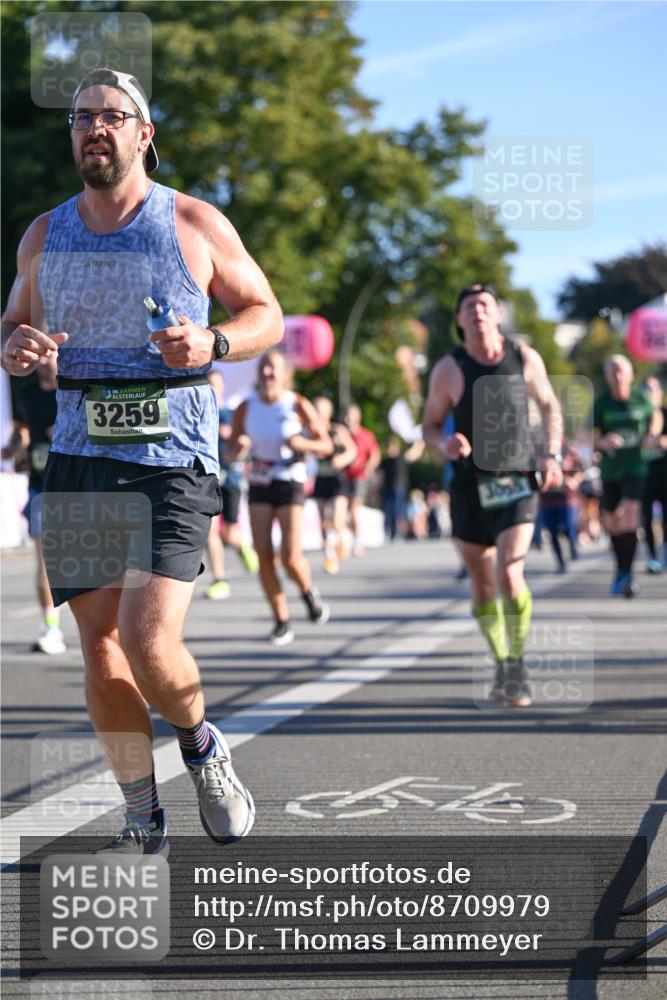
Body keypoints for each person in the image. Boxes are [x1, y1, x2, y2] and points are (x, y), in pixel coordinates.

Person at [0, 68, 284, 854]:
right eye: (81, 117)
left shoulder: (192, 222)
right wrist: (16, 347)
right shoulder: (44, 234)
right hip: (81, 453)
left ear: (144, 133)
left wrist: (214, 341)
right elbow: (13, 323)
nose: (94, 128)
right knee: (99, 647)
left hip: (172, 458)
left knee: (148, 641)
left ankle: (201, 745)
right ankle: (142, 815)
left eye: (112, 116)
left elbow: (267, 315)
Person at [423, 284, 563, 708]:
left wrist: (552, 453)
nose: (478, 311)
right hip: (470, 486)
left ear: (498, 314)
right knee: (483, 587)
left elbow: (550, 406)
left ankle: (516, 665)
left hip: (516, 481)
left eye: (486, 304)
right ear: (459, 320)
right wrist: (444, 444)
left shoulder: (524, 358)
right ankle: (502, 660)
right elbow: (430, 426)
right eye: (469, 306)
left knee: (508, 572)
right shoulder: (449, 369)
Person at [227, 349, 332, 645]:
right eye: (263, 367)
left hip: (290, 480)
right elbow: (229, 453)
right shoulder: (246, 407)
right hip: (260, 481)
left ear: (286, 374)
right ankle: (281, 620)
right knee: (264, 557)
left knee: (290, 556)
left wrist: (302, 444)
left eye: (273, 368)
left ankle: (308, 592)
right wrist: (239, 449)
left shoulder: (297, 404)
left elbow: (325, 445)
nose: (267, 373)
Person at [2, 353, 66, 653]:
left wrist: (67, 431)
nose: (46, 360)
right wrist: (14, 446)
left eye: (51, 353)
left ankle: (106, 628)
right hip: (42, 486)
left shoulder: (75, 388)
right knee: (46, 561)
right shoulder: (27, 394)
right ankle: (51, 628)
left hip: (80, 486)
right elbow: (23, 429)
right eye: (41, 355)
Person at [593, 356, 663, 596]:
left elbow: (655, 416)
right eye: (613, 371)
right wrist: (603, 441)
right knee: (612, 520)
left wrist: (651, 433)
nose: (618, 375)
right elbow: (586, 435)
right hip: (611, 470)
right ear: (607, 377)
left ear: (631, 375)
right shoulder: (602, 403)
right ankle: (620, 567)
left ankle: (628, 573)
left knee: (631, 513)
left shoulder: (640, 398)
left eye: (622, 370)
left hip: (636, 466)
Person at [204, 370, 259, 599]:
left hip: (231, 479)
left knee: (228, 533)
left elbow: (248, 443)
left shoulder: (232, 414)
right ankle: (219, 579)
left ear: (223, 387)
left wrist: (236, 441)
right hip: (206, 479)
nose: (213, 388)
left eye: (216, 384)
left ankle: (242, 546)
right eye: (209, 384)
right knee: (209, 530)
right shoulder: (198, 413)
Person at [311, 396, 357, 574]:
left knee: (337, 519)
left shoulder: (337, 430)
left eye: (321, 411)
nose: (318, 414)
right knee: (323, 521)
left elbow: (352, 450)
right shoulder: (309, 431)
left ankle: (342, 538)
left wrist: (342, 459)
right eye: (316, 410)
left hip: (337, 480)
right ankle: (329, 556)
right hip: (319, 479)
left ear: (328, 413)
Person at [341, 404, 381, 557]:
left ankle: (356, 541)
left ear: (358, 417)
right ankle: (345, 540)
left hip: (359, 477)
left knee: (354, 508)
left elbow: (375, 454)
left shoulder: (366, 435)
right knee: (344, 511)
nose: (348, 418)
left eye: (351, 415)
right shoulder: (341, 434)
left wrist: (368, 468)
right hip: (343, 477)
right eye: (346, 415)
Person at [537, 440, 582, 573]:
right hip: (547, 499)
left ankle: (572, 546)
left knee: (568, 527)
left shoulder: (568, 448)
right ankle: (561, 562)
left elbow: (581, 469)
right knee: (552, 532)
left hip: (567, 499)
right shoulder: (537, 449)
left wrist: (574, 480)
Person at [640, 375, 667, 573]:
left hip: (664, 473)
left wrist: (660, 441)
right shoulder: (638, 417)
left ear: (660, 392)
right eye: (645, 389)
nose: (649, 393)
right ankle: (652, 558)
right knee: (646, 518)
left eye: (652, 389)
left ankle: (664, 553)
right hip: (643, 475)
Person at [379, 436, 424, 541]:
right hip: (387, 489)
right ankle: (388, 532)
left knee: (398, 511)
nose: (390, 449)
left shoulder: (401, 458)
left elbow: (414, 454)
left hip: (399, 489)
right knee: (388, 511)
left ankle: (397, 532)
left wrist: (419, 443)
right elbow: (379, 476)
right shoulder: (385, 461)